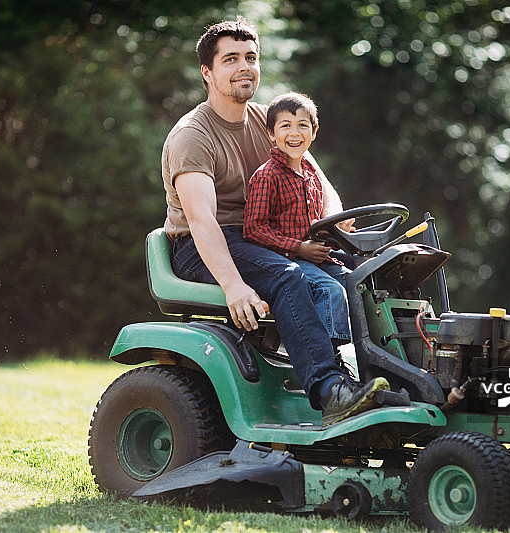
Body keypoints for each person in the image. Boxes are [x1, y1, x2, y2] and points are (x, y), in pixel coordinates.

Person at [161, 17, 388, 425]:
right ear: (207, 72)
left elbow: (321, 183)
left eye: (251, 57)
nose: (244, 67)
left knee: (374, 271)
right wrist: (233, 286)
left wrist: (331, 225)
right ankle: (330, 389)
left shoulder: (271, 120)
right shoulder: (192, 135)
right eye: (230, 59)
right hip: (204, 246)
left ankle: (392, 377)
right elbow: (201, 219)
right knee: (289, 277)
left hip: (265, 239)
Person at [243, 92, 351, 352]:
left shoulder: (311, 173)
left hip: (318, 257)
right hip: (286, 259)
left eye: (303, 125)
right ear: (271, 133)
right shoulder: (267, 175)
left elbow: (313, 223)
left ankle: (369, 354)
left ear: (314, 132)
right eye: (285, 126)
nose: (295, 132)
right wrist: (299, 248)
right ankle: (331, 359)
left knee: (359, 284)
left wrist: (335, 232)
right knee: (330, 291)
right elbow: (253, 229)